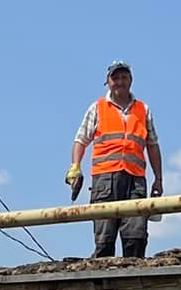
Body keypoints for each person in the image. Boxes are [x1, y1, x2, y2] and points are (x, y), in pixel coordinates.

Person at [66, 60, 165, 259]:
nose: (120, 81)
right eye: (115, 77)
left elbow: (152, 145)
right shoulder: (97, 108)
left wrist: (158, 179)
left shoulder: (142, 110)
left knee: (135, 238)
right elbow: (80, 140)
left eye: (124, 77)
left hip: (135, 180)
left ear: (131, 80)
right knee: (104, 238)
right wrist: (75, 167)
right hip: (105, 181)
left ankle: (135, 285)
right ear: (108, 82)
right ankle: (104, 287)